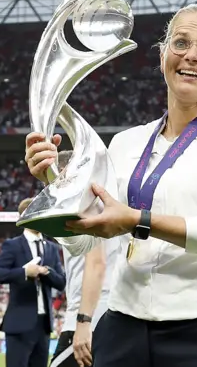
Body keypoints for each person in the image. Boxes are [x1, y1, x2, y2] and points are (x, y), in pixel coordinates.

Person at [24, 3, 197, 367]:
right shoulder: (126, 143)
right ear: (162, 56)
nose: (191, 55)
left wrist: (136, 220)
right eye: (181, 42)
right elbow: (82, 241)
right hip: (123, 330)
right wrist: (55, 185)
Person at [50, 151, 120, 367]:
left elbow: (96, 263)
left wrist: (83, 322)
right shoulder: (100, 203)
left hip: (89, 318)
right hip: (103, 313)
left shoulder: (85, 206)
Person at [0, 199, 66, 367]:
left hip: (44, 325)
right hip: (19, 324)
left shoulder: (51, 248)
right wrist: (24, 272)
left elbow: (61, 282)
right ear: (24, 216)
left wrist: (46, 272)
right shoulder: (13, 245)